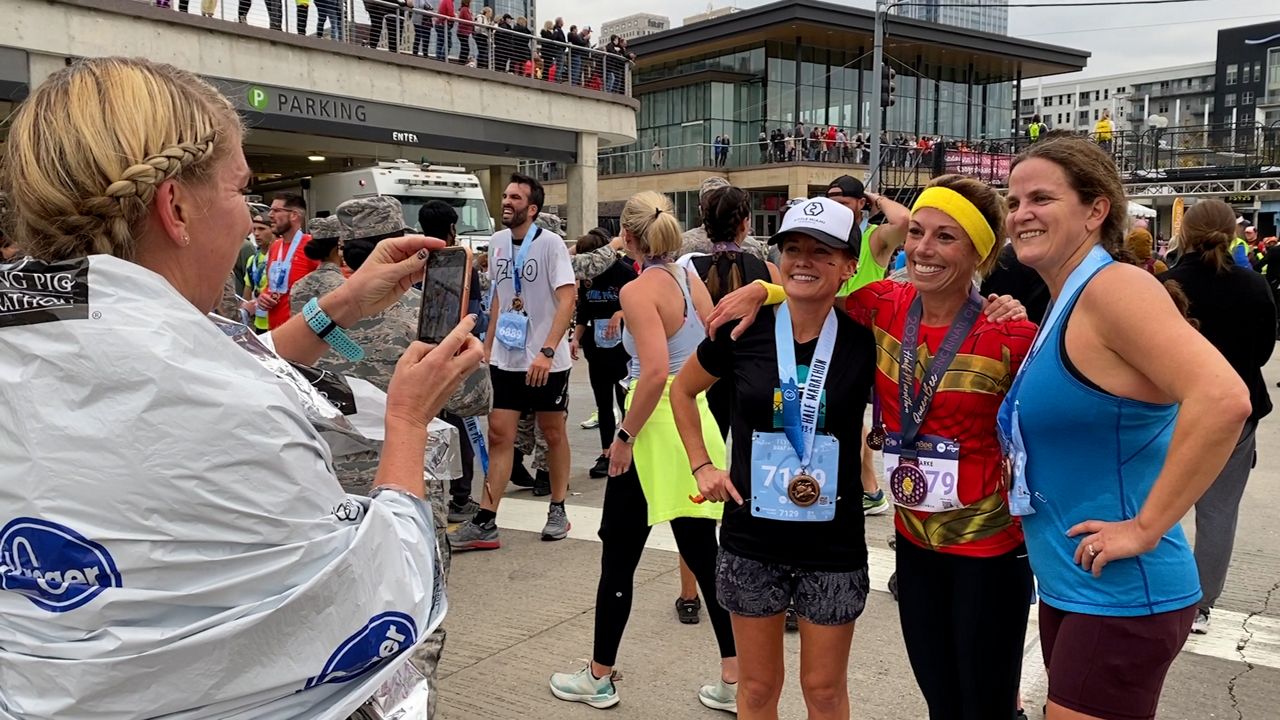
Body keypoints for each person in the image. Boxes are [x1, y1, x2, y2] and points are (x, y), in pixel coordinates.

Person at [0, 56, 483, 719]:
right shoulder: (250, 375)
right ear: (175, 206)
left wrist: (341, 310)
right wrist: (405, 413)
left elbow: (238, 357)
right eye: (240, 192)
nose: (248, 218)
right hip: (347, 484)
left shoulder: (39, 320)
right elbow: (377, 598)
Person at [703, 182, 1037, 718]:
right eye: (918, 233)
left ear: (980, 251)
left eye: (945, 237)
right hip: (915, 544)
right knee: (941, 696)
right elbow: (812, 290)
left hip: (988, 547)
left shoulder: (1011, 334)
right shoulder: (883, 305)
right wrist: (762, 291)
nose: (924, 248)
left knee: (987, 702)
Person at [1001, 133, 1251, 720]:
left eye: (1041, 198)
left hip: (1122, 591)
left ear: (1095, 210)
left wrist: (1144, 527)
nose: (1021, 215)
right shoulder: (1064, 297)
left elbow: (1223, 399)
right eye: (1013, 202)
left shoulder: (1115, 288)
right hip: (1074, 582)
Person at [672, 197, 874, 720]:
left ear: (849, 265)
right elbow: (682, 391)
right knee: (758, 689)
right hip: (751, 540)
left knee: (824, 692)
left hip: (833, 545)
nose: (804, 260)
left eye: (822, 252)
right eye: (793, 249)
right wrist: (702, 466)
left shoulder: (865, 340)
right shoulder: (745, 331)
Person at [550, 191, 739, 712]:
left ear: (627, 238)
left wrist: (624, 438)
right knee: (704, 554)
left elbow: (653, 371)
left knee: (619, 553)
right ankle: (734, 677)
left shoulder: (637, 288)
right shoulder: (687, 275)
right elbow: (714, 339)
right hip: (692, 420)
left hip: (651, 425)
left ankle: (599, 675)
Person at [1158, 199, 1276, 635]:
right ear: (1231, 236)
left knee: (1159, 502)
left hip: (1173, 408)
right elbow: (1264, 351)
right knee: (1218, 512)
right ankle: (1202, 606)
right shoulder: (1254, 286)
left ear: (1184, 233)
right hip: (1235, 410)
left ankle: (1156, 588)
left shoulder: (1166, 284)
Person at [450, 173, 575, 550]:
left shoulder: (550, 244)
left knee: (552, 435)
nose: (507, 201)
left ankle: (558, 508)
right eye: (505, 195)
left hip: (546, 361)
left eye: (515, 197)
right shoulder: (498, 242)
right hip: (507, 357)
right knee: (499, 434)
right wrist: (488, 349)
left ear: (532, 208)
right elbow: (502, 299)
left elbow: (567, 300)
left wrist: (548, 350)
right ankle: (487, 519)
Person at [827, 175, 910, 516]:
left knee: (851, 414)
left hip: (865, 336)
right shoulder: (828, 237)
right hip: (831, 330)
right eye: (830, 201)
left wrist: (876, 198)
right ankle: (869, 488)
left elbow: (905, 221)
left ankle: (870, 489)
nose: (837, 208)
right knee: (844, 413)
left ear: (861, 204)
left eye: (844, 201)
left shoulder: (874, 238)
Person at [419, 199, 491, 523]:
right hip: (453, 357)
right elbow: (472, 313)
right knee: (460, 424)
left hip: (419, 355)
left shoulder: (411, 260)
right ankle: (461, 498)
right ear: (452, 228)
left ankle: (433, 488)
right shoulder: (463, 264)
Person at [570, 232, 638, 480]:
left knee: (624, 401)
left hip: (622, 350)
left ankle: (628, 447)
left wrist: (621, 313)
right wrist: (575, 339)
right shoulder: (587, 278)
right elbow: (584, 311)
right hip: (596, 347)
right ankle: (606, 451)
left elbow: (640, 304)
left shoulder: (625, 272)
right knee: (602, 403)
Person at [263, 192, 319, 329]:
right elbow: (271, 284)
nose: (270, 215)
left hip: (300, 332)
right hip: (274, 329)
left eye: (276, 210)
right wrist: (264, 296)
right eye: (270, 210)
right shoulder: (275, 246)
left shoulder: (311, 246)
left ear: (294, 215)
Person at [240, 211, 276, 331]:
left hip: (277, 322)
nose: (256, 234)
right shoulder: (252, 260)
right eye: (254, 229)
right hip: (258, 323)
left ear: (273, 230)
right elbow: (248, 290)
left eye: (262, 229)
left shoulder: (281, 258)